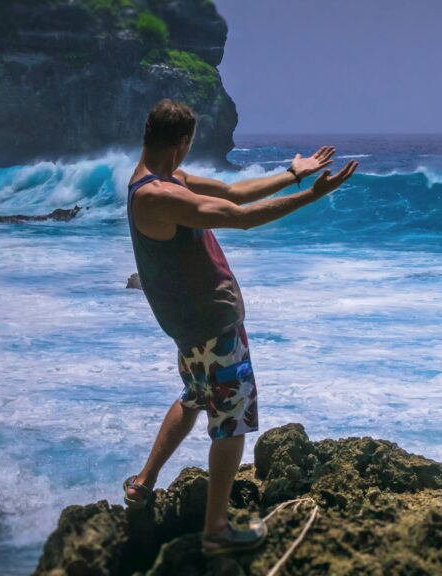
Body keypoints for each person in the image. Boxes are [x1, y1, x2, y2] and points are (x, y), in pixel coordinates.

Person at [122, 99, 357, 555]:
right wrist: (312, 195)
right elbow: (242, 219)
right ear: (183, 143)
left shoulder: (163, 181)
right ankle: (216, 531)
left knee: (194, 398)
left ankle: (143, 483)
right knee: (231, 424)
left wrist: (294, 173)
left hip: (192, 328)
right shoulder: (159, 195)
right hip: (211, 328)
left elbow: (234, 193)